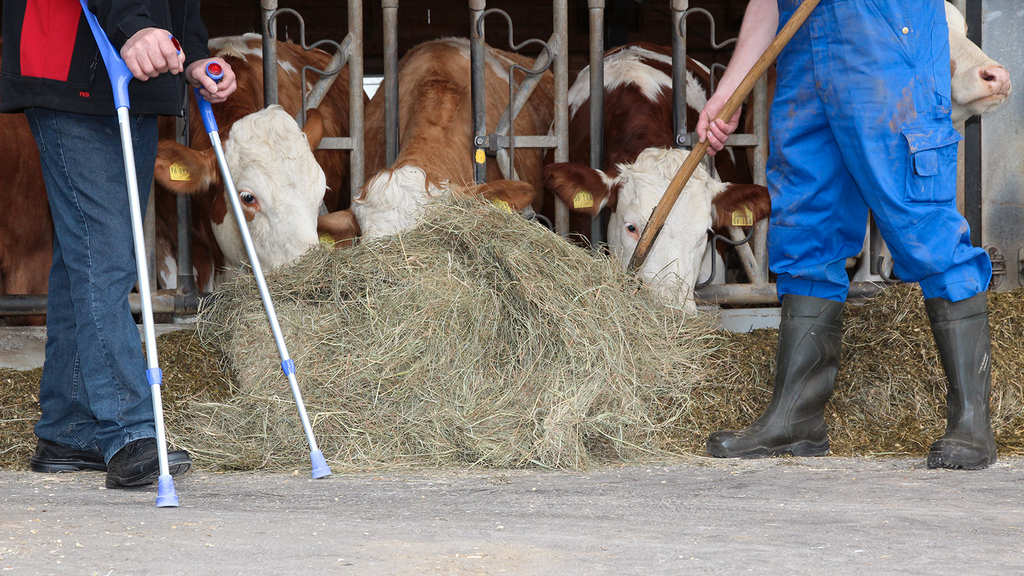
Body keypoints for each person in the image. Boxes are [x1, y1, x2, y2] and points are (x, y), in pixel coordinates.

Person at [696, 0, 996, 469]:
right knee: (807, 224)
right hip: (804, 54)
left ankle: (972, 422)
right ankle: (797, 419)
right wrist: (731, 90)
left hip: (888, 45)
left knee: (921, 222)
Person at [1, 0, 237, 487]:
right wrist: (135, 26)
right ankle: (128, 429)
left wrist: (192, 54)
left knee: (85, 255)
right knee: (105, 257)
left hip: (137, 84)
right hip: (71, 73)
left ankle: (67, 431)